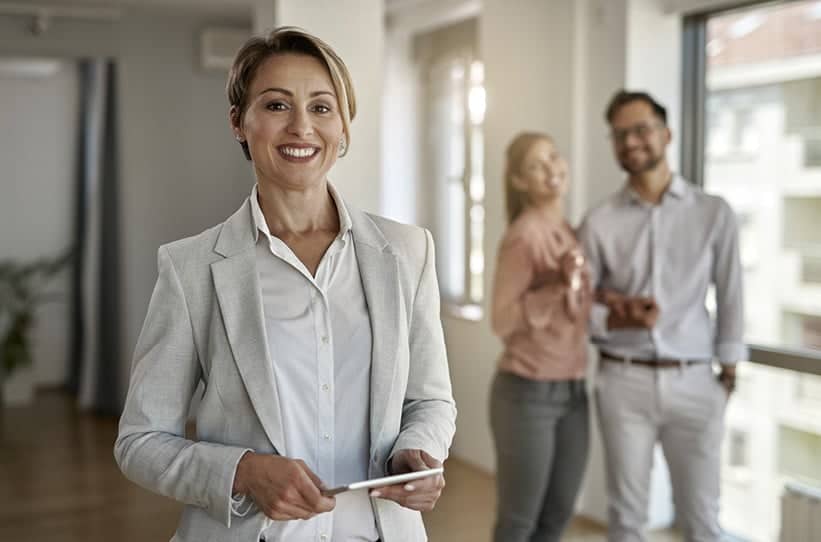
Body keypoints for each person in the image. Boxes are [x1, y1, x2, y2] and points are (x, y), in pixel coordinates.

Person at [114, 27, 456, 542]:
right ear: (238, 122)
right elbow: (140, 442)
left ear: (343, 127)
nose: (302, 127)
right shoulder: (190, 269)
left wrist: (420, 452)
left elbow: (431, 401)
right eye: (276, 105)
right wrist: (243, 471)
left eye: (322, 107)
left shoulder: (408, 253)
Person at [578, 90, 745, 542]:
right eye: (619, 134)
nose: (630, 142)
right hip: (623, 381)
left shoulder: (714, 213)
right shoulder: (598, 221)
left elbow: (732, 296)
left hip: (696, 381)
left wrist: (725, 375)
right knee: (627, 519)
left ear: (666, 134)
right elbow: (578, 307)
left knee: (702, 519)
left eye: (641, 130)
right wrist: (621, 320)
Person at [489, 132, 592, 542]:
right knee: (519, 524)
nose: (551, 168)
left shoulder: (567, 230)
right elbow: (501, 320)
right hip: (527, 392)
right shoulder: (524, 235)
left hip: (573, 390)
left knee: (556, 518)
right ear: (519, 182)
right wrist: (553, 287)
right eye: (536, 165)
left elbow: (576, 307)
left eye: (553, 157)